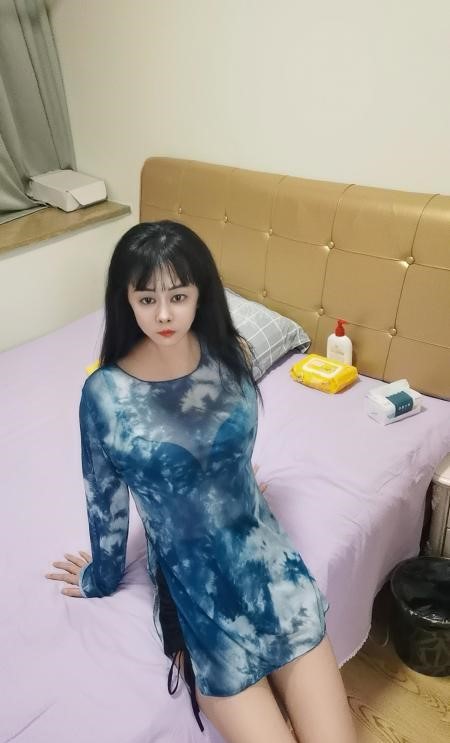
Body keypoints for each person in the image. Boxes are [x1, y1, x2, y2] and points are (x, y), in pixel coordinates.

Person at [46, 221, 357, 743]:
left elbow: (234, 447)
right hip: (198, 593)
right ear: (125, 300)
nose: (164, 315)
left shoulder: (231, 357)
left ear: (200, 294)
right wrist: (100, 576)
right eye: (147, 299)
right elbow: (105, 500)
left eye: (178, 296)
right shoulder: (105, 394)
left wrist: (233, 483)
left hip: (271, 567)